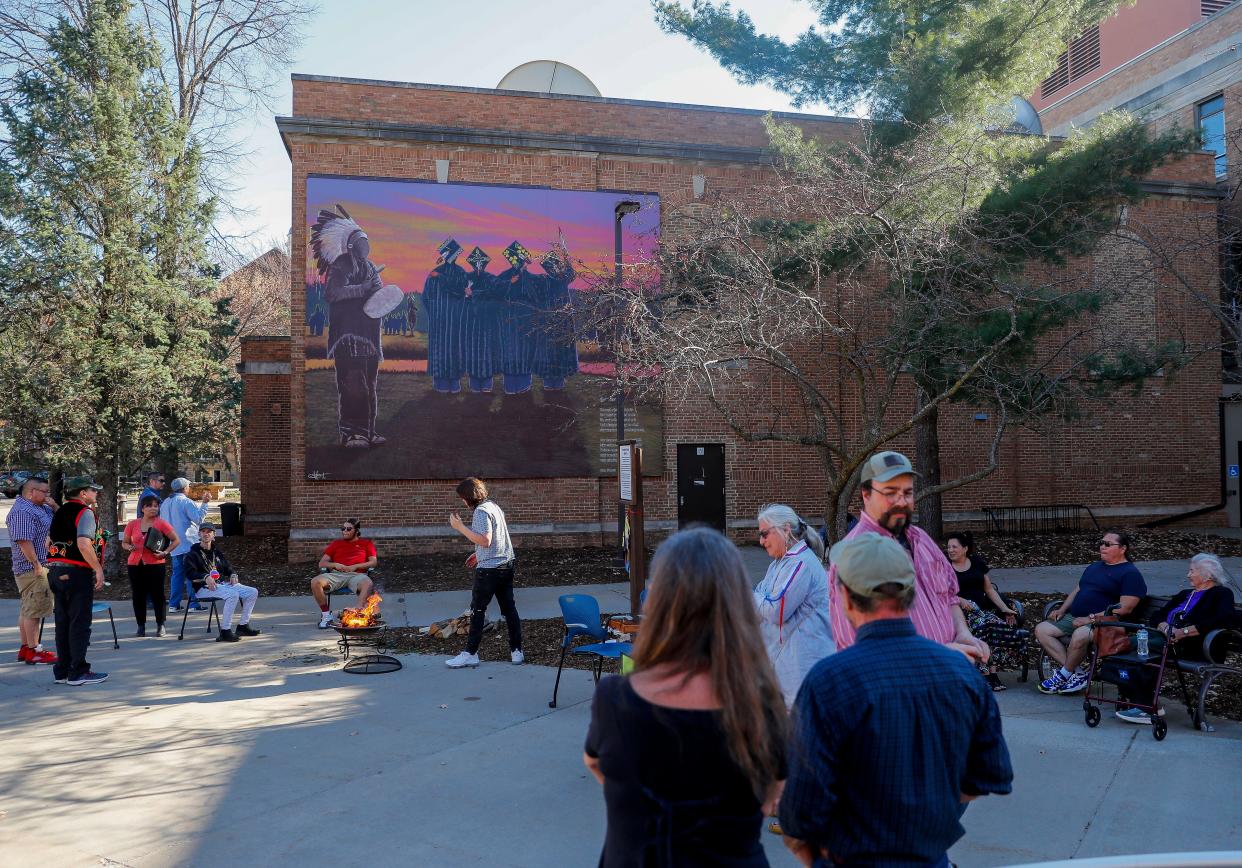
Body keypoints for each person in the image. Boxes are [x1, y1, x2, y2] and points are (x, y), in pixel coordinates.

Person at [780, 534, 1013, 867]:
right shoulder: (963, 676)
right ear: (911, 592)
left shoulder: (829, 682)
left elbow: (800, 810)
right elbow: (989, 773)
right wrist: (927, 818)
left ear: (844, 596)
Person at [584, 527, 788, 867]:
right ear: (736, 603)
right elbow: (770, 799)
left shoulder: (615, 699)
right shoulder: (762, 701)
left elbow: (597, 764)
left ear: (661, 602)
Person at [828, 451, 988, 663]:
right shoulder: (855, 556)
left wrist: (962, 632)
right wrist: (942, 655)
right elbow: (861, 651)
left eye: (908, 492)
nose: (901, 501)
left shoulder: (921, 539)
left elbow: (948, 597)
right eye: (890, 493)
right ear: (866, 495)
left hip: (944, 679)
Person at [1115, 552, 1238, 724]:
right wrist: (1164, 626)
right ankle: (1140, 701)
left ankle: (1147, 709)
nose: (1188, 575)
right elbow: (1157, 615)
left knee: (1139, 647)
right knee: (1126, 646)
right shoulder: (1185, 594)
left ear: (1208, 575)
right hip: (1167, 640)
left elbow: (1225, 619)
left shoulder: (1221, 594)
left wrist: (1184, 632)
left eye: (1192, 571)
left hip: (1194, 646)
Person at [311, 204, 388, 448]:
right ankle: (351, 433)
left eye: (367, 242)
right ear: (353, 245)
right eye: (362, 243)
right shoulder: (342, 264)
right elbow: (333, 293)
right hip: (348, 336)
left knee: (370, 386)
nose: (366, 247)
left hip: (369, 336)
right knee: (354, 386)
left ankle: (368, 431)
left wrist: (379, 293)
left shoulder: (370, 267)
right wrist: (362, 289)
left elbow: (378, 293)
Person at [1036, 530, 1146, 696]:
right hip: (1076, 617)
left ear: (1123, 548)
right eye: (1101, 543)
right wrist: (1062, 609)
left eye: (1108, 544)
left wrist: (1090, 619)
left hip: (1106, 624)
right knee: (1042, 630)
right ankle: (1078, 673)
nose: (1102, 546)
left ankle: (1064, 674)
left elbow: (1124, 608)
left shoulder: (1130, 573)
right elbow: (1079, 589)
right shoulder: (1095, 567)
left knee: (1080, 635)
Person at [753, 504, 833, 707]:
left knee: (801, 732)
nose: (761, 541)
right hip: (784, 669)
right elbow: (758, 607)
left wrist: (756, 595)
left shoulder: (801, 564)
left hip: (802, 670)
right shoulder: (778, 564)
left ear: (786, 529)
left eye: (765, 534)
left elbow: (776, 611)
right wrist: (760, 597)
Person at [445, 477, 523, 668]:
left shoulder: (480, 511)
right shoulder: (493, 506)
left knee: (477, 611)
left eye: (462, 498)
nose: (463, 502)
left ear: (468, 497)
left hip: (489, 571)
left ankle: (470, 653)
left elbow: (485, 540)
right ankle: (517, 651)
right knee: (509, 610)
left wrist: (460, 527)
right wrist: (479, 555)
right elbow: (497, 540)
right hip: (506, 565)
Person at [45, 476, 108, 686]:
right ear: (83, 493)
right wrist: (97, 568)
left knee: (62, 622)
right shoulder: (85, 512)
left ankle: (62, 670)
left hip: (55, 571)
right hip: (76, 573)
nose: (95, 493)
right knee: (79, 623)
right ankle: (78, 671)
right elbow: (83, 544)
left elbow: (48, 542)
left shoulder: (60, 511)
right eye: (93, 490)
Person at [945, 531, 1024, 691]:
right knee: (983, 624)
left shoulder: (977, 563)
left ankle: (992, 672)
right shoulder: (945, 566)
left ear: (965, 548)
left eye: (954, 547)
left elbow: (989, 590)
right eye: (948, 547)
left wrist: (1004, 608)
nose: (950, 550)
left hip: (980, 611)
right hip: (958, 613)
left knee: (994, 624)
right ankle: (986, 674)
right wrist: (959, 600)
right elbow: (942, 591)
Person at [7, 476, 58, 665]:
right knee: (34, 611)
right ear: (31, 492)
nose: (47, 495)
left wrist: (53, 506)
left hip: (38, 566)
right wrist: (36, 564)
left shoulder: (40, 507)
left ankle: (25, 647)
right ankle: (34, 650)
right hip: (32, 568)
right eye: (44, 492)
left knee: (28, 609)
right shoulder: (22, 511)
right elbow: (23, 541)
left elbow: (59, 522)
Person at [185, 523, 259, 642]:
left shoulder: (216, 552)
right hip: (203, 588)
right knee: (232, 594)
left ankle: (243, 626)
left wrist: (233, 574)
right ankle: (225, 631)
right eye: (203, 531)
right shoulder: (192, 554)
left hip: (221, 584)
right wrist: (205, 577)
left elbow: (227, 567)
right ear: (199, 534)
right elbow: (190, 573)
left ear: (214, 535)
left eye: (209, 531)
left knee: (252, 592)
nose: (206, 534)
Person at [120, 494, 179, 637]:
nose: (153, 508)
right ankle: (141, 626)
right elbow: (125, 542)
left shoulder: (161, 523)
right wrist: (128, 547)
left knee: (157, 594)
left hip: (155, 563)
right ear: (143, 508)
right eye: (149, 506)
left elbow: (176, 540)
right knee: (138, 595)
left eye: (156, 506)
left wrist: (165, 552)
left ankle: (161, 625)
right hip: (135, 564)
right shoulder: (133, 524)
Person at [312, 518, 377, 628]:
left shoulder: (366, 543)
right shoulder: (336, 544)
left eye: (348, 529)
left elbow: (373, 562)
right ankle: (326, 615)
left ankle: (359, 612)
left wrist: (356, 566)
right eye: (343, 528)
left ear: (356, 531)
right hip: (336, 575)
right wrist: (334, 565)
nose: (345, 531)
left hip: (357, 575)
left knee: (368, 583)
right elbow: (322, 563)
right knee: (315, 582)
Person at [161, 478, 211, 612]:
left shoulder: (166, 502)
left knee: (177, 574)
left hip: (174, 544)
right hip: (188, 543)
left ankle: (173, 604)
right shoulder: (186, 502)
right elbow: (199, 518)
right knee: (192, 574)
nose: (189, 488)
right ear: (184, 488)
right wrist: (205, 503)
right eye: (188, 486)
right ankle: (193, 604)